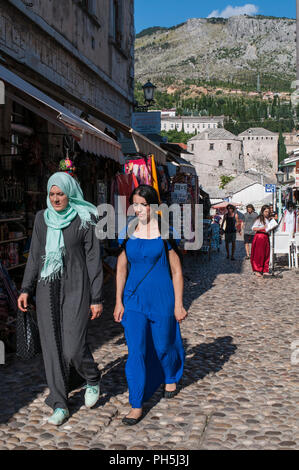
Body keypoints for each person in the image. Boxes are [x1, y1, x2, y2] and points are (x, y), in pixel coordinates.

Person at [18, 172, 103, 426]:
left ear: (70, 194)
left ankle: (92, 377)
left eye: (60, 194)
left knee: (73, 347)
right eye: (52, 194)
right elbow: (35, 256)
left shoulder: (84, 219)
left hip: (77, 287)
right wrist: (25, 289)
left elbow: (93, 259)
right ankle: (59, 403)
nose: (56, 199)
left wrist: (97, 296)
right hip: (47, 287)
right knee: (52, 349)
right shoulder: (41, 219)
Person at [113, 185, 186, 426]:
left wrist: (178, 304)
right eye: (135, 203)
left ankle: (170, 374)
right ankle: (136, 404)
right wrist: (118, 301)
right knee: (136, 352)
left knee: (164, 345)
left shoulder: (166, 233)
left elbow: (176, 271)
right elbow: (121, 268)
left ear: (153, 206)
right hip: (133, 301)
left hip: (162, 299)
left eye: (143, 204)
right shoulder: (128, 231)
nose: (138, 208)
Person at [250, 205, 271, 278]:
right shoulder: (259, 219)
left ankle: (265, 270)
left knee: (266, 254)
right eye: (265, 211)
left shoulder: (267, 219)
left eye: (268, 212)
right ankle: (257, 270)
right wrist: (262, 228)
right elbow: (253, 228)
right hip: (260, 237)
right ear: (262, 211)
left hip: (266, 237)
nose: (267, 213)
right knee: (259, 254)